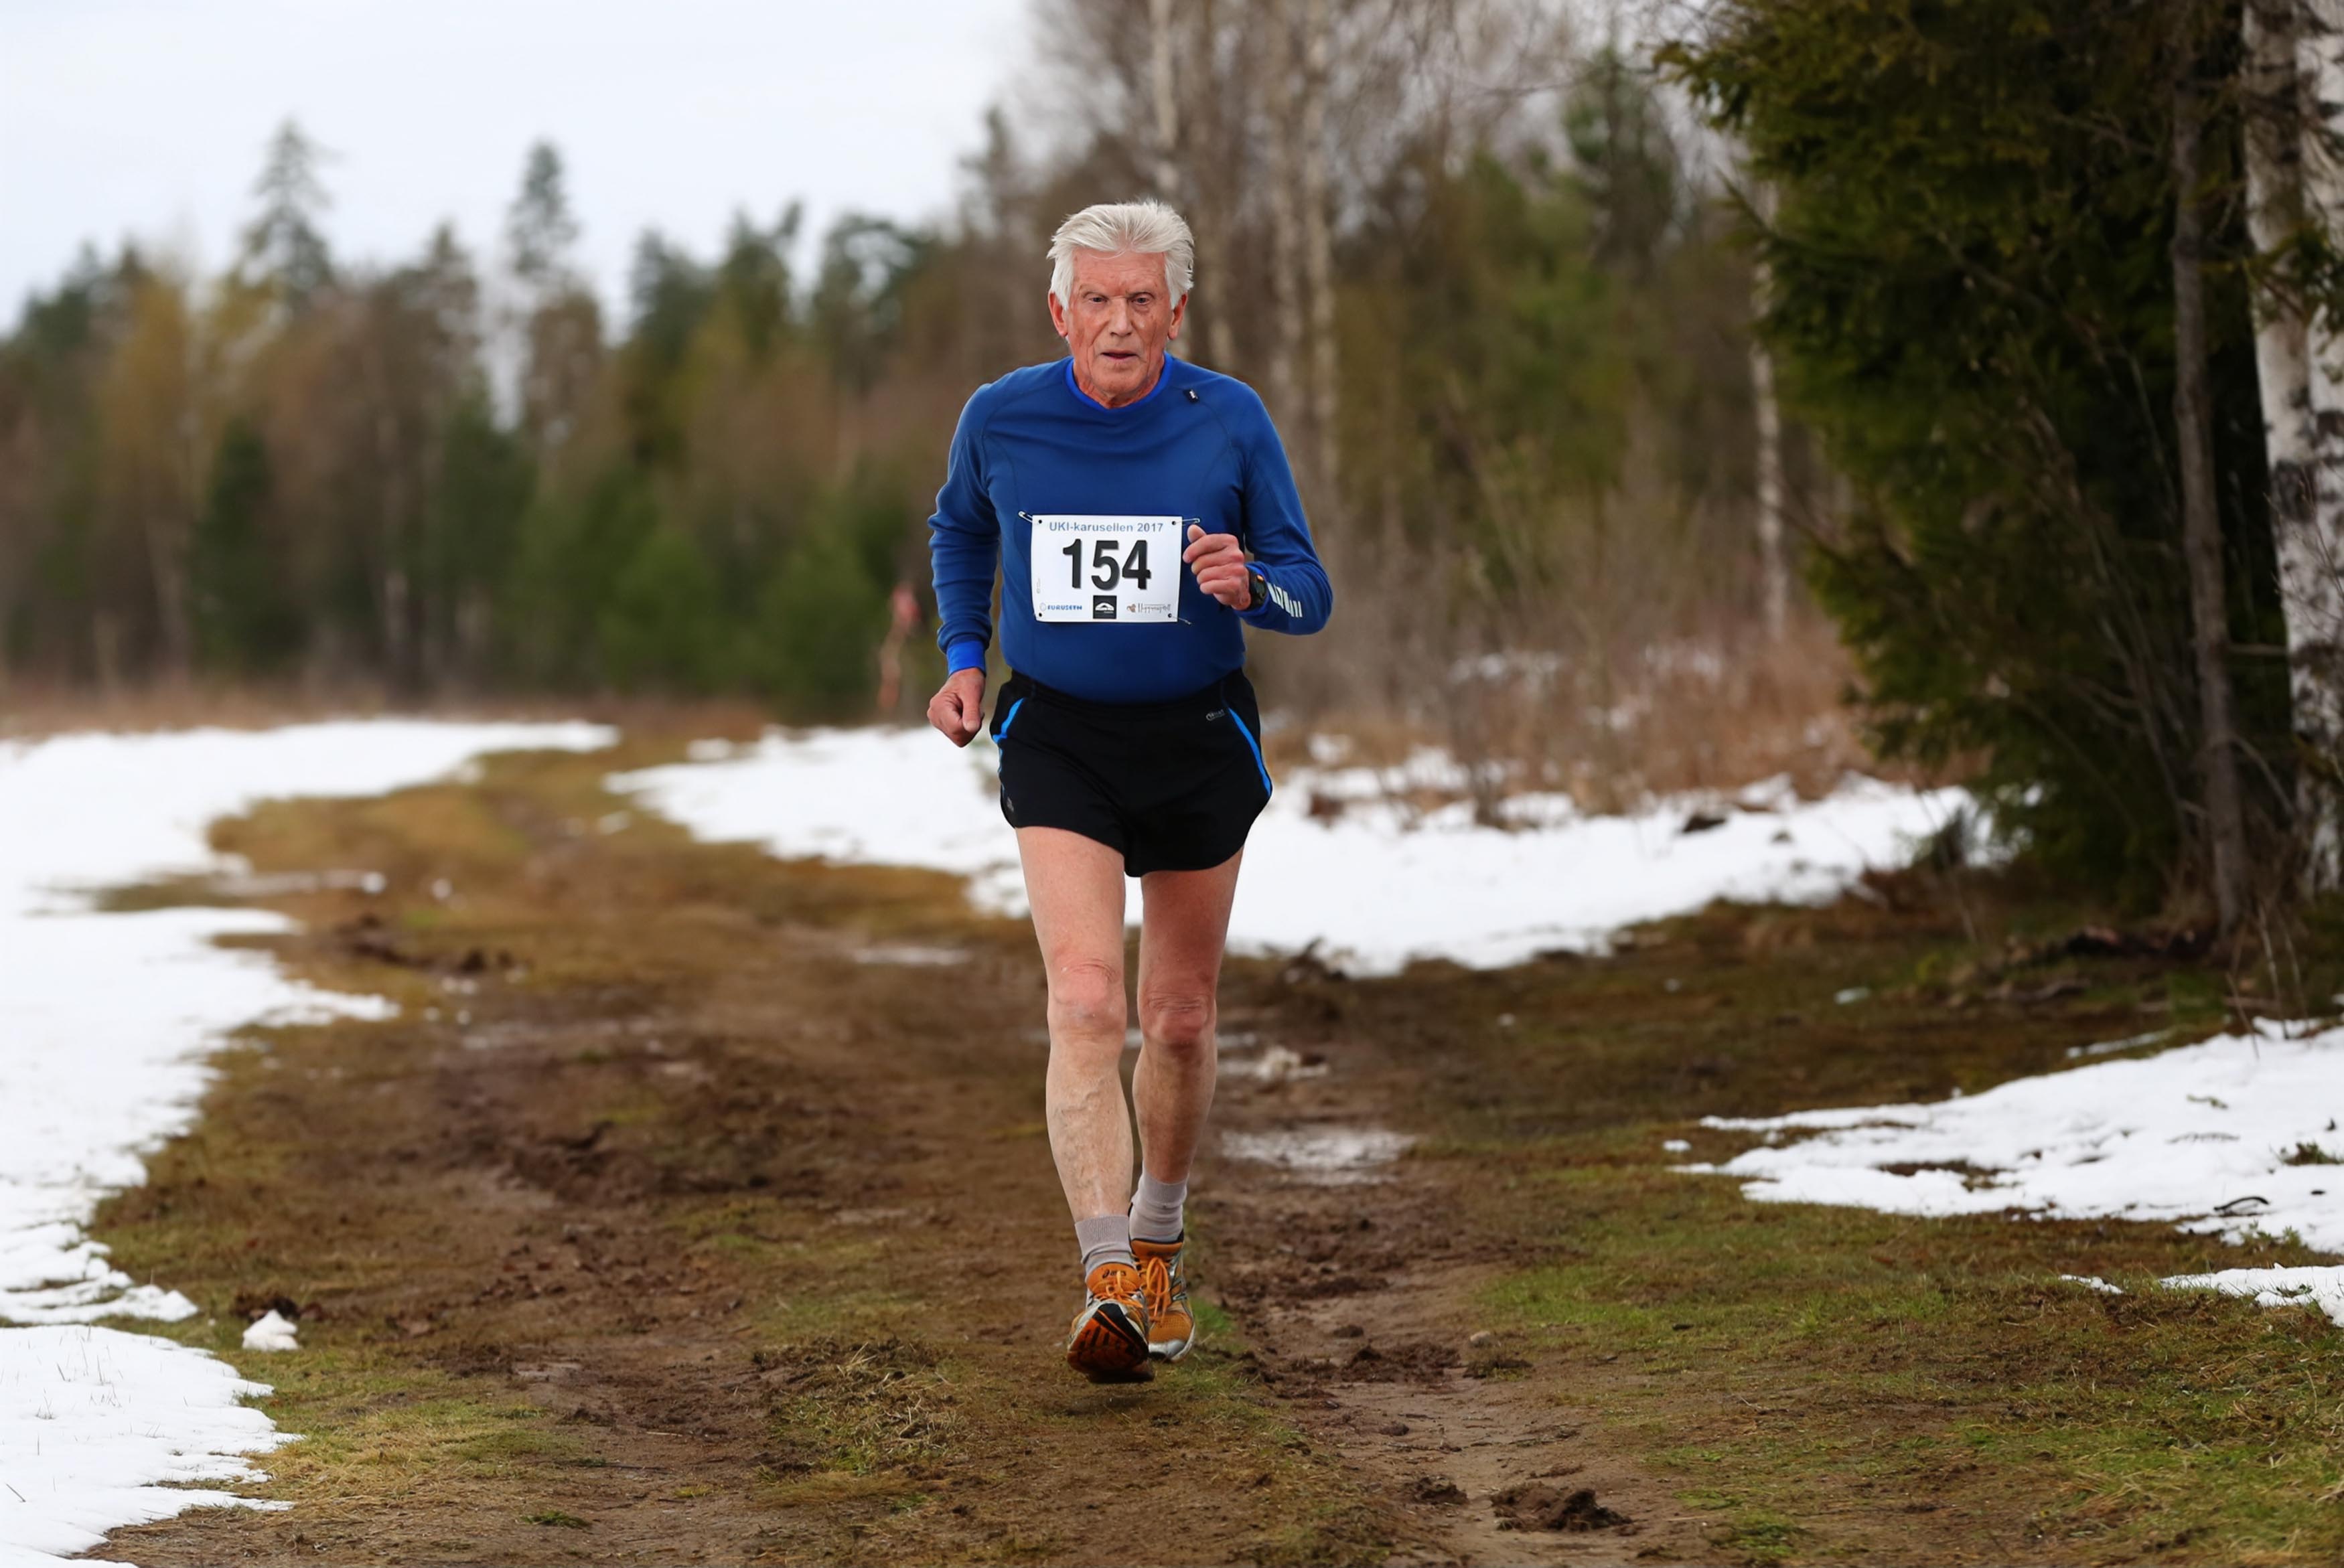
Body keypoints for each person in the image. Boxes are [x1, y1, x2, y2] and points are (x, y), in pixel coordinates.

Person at [926, 200, 1333, 1381]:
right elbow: (960, 530)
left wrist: (1249, 579)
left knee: (1182, 1015)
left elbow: (1311, 589)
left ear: (1176, 312)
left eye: (1140, 301)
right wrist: (964, 658)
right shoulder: (1001, 417)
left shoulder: (1231, 421)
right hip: (1060, 736)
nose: (1117, 323)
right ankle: (1108, 1273)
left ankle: (1158, 1236)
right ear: (1060, 311)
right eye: (1095, 300)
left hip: (1198, 735)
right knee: (1088, 1000)